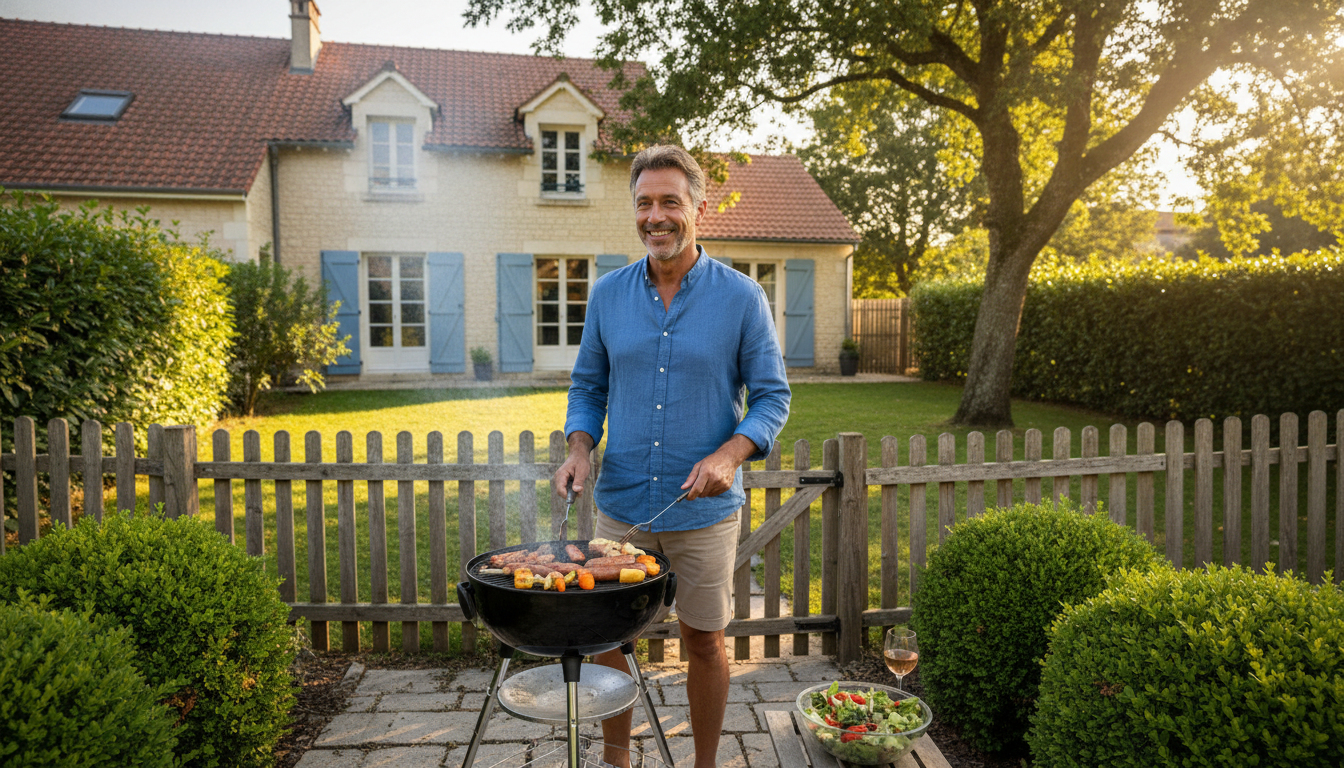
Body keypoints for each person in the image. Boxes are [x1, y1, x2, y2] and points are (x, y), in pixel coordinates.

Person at [553, 145, 791, 768]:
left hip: (704, 512)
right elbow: (588, 386)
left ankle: (705, 764)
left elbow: (771, 398)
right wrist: (580, 447)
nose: (655, 216)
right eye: (644, 203)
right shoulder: (607, 295)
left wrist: (731, 454)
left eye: (669, 202)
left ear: (697, 209)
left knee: (705, 641)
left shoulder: (742, 298)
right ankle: (616, 760)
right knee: (610, 639)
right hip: (622, 506)